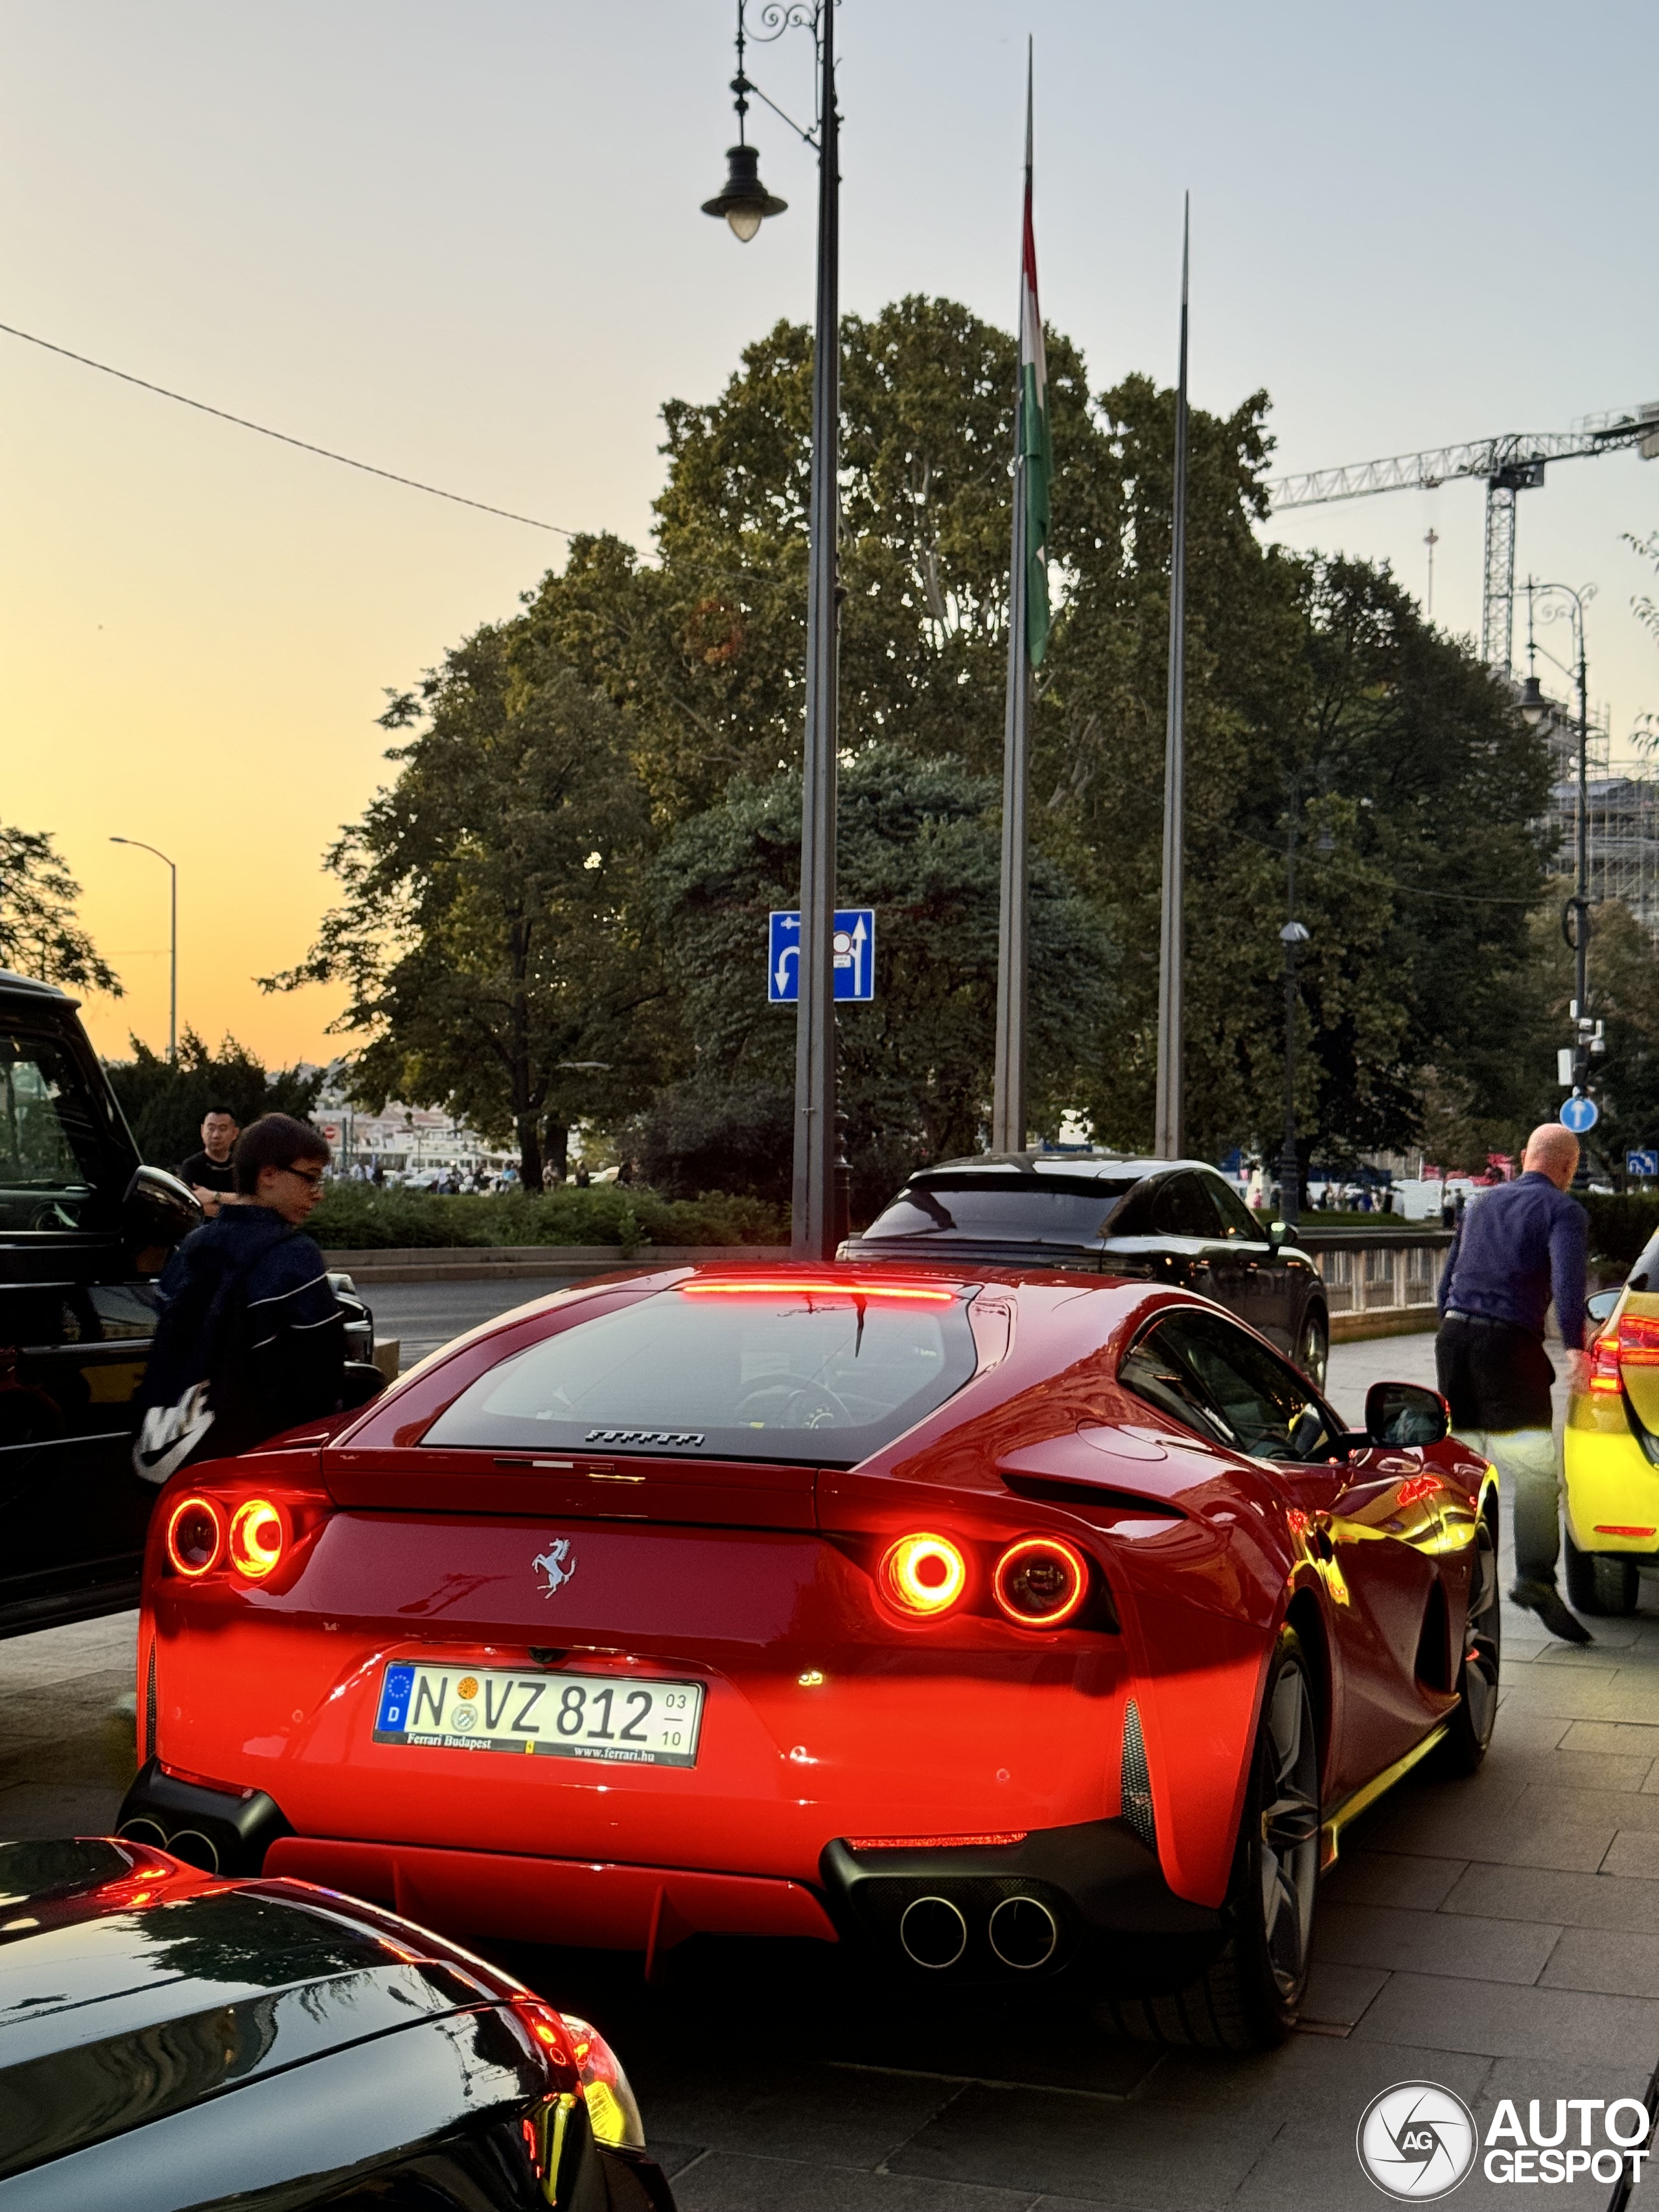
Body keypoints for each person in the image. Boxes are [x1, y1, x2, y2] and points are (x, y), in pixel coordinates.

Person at [1435, 1121, 1591, 1643]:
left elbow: (1445, 1285)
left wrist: (1458, 1329)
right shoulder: (1564, 1211)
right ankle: (1534, 1580)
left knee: (1462, 1464)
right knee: (1537, 1471)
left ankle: (1449, 1576)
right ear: (1567, 1167)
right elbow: (1569, 1285)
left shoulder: (1480, 1205)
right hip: (1510, 1349)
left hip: (1454, 1338)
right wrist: (1575, 1346)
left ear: (1526, 1156)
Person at [133, 1114, 346, 1482]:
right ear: (268, 1175)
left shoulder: (194, 1245)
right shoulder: (295, 1255)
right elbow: (320, 1376)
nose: (318, 1192)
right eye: (310, 1177)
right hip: (251, 1456)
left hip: (168, 1444)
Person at [178, 1107, 240, 1216]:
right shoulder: (191, 1166)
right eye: (211, 1128)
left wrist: (214, 1196)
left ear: (235, 1133)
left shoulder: (242, 1165)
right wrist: (235, 1204)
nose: (216, 1135)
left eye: (222, 1128)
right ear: (202, 1130)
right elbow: (193, 1208)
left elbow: (255, 1202)